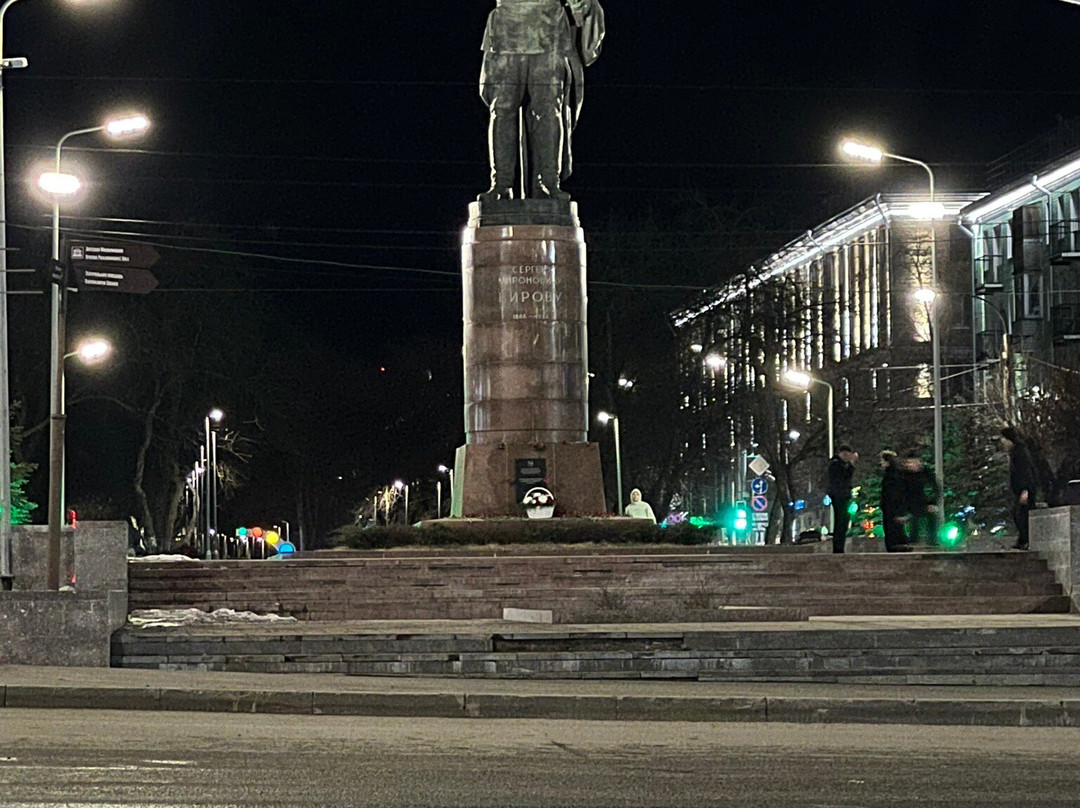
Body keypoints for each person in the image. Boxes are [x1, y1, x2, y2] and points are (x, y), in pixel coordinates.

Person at [478, 0, 605, 201]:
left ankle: (549, 181)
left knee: (548, 110)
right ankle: (501, 183)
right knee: (502, 110)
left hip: (548, 29)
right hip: (507, 29)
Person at [1001, 426, 1040, 550]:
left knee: (1021, 514)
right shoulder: (1016, 451)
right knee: (1019, 514)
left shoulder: (1020, 452)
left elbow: (1025, 471)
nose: (1002, 442)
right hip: (1020, 489)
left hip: (1025, 489)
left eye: (1003, 439)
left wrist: (1025, 490)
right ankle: (1023, 540)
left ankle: (1025, 540)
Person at [898, 453, 939, 546]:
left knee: (931, 519)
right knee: (914, 521)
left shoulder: (926, 474)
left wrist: (932, 502)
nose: (909, 465)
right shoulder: (905, 475)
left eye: (911, 462)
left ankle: (932, 540)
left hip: (925, 502)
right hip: (912, 503)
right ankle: (913, 540)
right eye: (908, 463)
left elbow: (934, 489)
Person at [826, 444, 858, 554]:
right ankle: (838, 548)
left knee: (843, 522)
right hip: (839, 495)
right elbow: (845, 476)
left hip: (843, 495)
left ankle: (839, 546)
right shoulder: (836, 464)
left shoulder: (841, 464)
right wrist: (852, 465)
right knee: (841, 521)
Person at [879, 450, 909, 552]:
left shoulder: (891, 476)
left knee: (893, 533)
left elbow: (891, 494)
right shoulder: (896, 474)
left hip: (891, 509)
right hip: (893, 508)